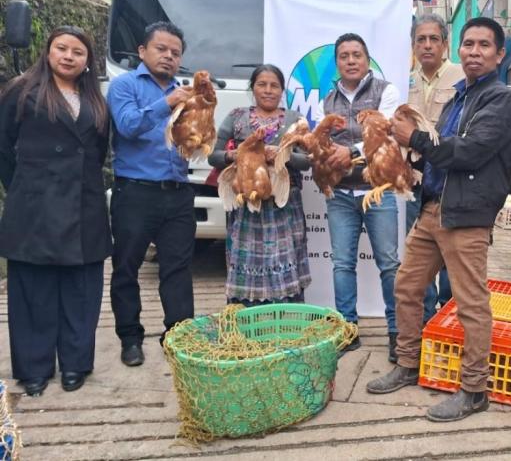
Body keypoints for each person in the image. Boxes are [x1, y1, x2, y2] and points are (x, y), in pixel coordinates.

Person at [366, 17, 511, 422]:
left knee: (470, 303)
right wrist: (405, 158)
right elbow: (435, 152)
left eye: (484, 45)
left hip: (466, 217)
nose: (474, 52)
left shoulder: (500, 101)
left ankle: (474, 389)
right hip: (433, 208)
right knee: (407, 286)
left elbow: (469, 152)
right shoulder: (457, 100)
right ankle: (407, 362)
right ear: (460, 50)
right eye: (469, 44)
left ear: (499, 55)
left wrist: (413, 138)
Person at [0, 26, 111, 396]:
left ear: (87, 61)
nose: (68, 56)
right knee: (34, 288)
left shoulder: (95, 100)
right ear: (48, 52)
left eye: (77, 52)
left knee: (81, 290)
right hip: (34, 204)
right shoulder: (21, 91)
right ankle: (34, 367)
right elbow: (3, 148)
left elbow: (98, 151)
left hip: (84, 204)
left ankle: (76, 363)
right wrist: (24, 186)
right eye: (61, 48)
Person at [106, 21, 196, 367]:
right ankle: (130, 338)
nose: (169, 56)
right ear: (142, 51)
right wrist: (166, 103)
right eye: (162, 49)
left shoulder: (184, 93)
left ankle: (179, 337)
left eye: (176, 52)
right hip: (135, 193)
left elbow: (192, 138)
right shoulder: (124, 85)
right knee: (126, 267)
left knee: (178, 268)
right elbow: (128, 126)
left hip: (178, 192)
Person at [312, 33, 401, 356]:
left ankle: (397, 333)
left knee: (389, 264)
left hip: (378, 190)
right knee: (342, 264)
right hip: (340, 194)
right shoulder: (327, 101)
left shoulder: (386, 91)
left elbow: (388, 133)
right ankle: (347, 331)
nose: (350, 61)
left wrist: (350, 151)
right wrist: (326, 154)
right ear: (337, 62)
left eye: (356, 55)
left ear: (366, 59)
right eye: (344, 56)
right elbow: (322, 142)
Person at [208, 65, 311, 305]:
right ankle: (247, 317)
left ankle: (286, 318)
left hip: (283, 203)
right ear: (252, 88)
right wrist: (237, 155)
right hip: (246, 204)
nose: (268, 90)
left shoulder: (295, 120)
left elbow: (307, 161)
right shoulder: (236, 116)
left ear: (282, 91)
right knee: (246, 261)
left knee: (284, 261)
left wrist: (282, 156)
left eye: (274, 86)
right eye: (262, 84)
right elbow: (213, 155)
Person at [407, 13, 463, 321]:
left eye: (433, 39)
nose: (427, 45)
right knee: (420, 258)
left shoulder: (461, 77)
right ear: (413, 45)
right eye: (421, 40)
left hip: (449, 182)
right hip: (414, 181)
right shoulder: (406, 81)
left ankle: (449, 321)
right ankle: (426, 321)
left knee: (451, 260)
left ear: (444, 44)